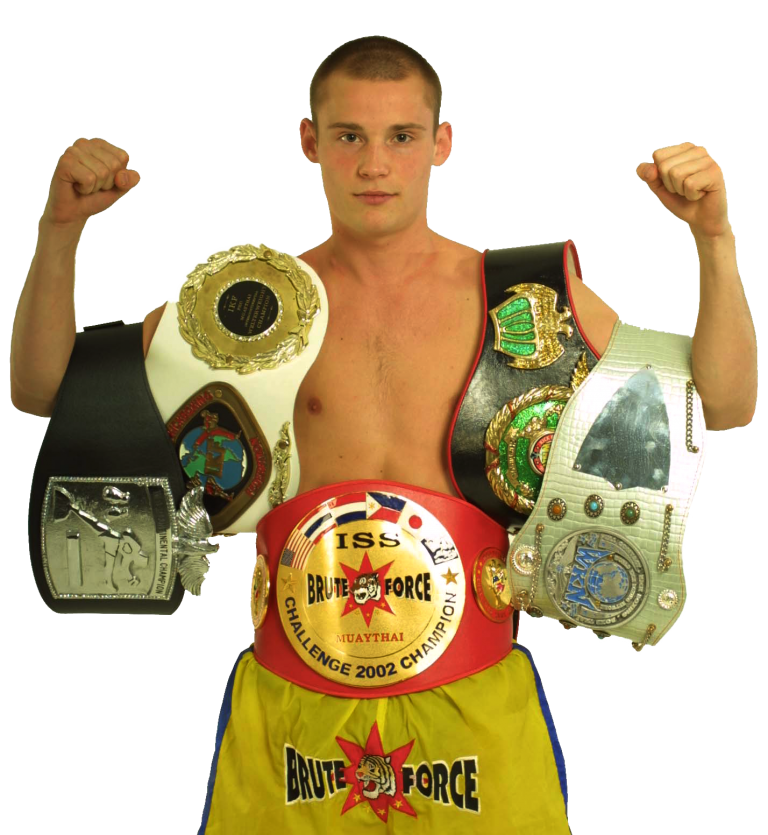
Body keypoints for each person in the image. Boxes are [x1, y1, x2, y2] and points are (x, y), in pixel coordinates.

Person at [12, 36, 756, 835]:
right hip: (293, 711)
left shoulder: (525, 296)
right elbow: (46, 388)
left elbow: (723, 402)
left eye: (401, 136)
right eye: (349, 136)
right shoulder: (249, 307)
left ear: (441, 142)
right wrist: (60, 231)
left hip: (474, 703)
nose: (375, 164)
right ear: (310, 141)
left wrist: (715, 239)